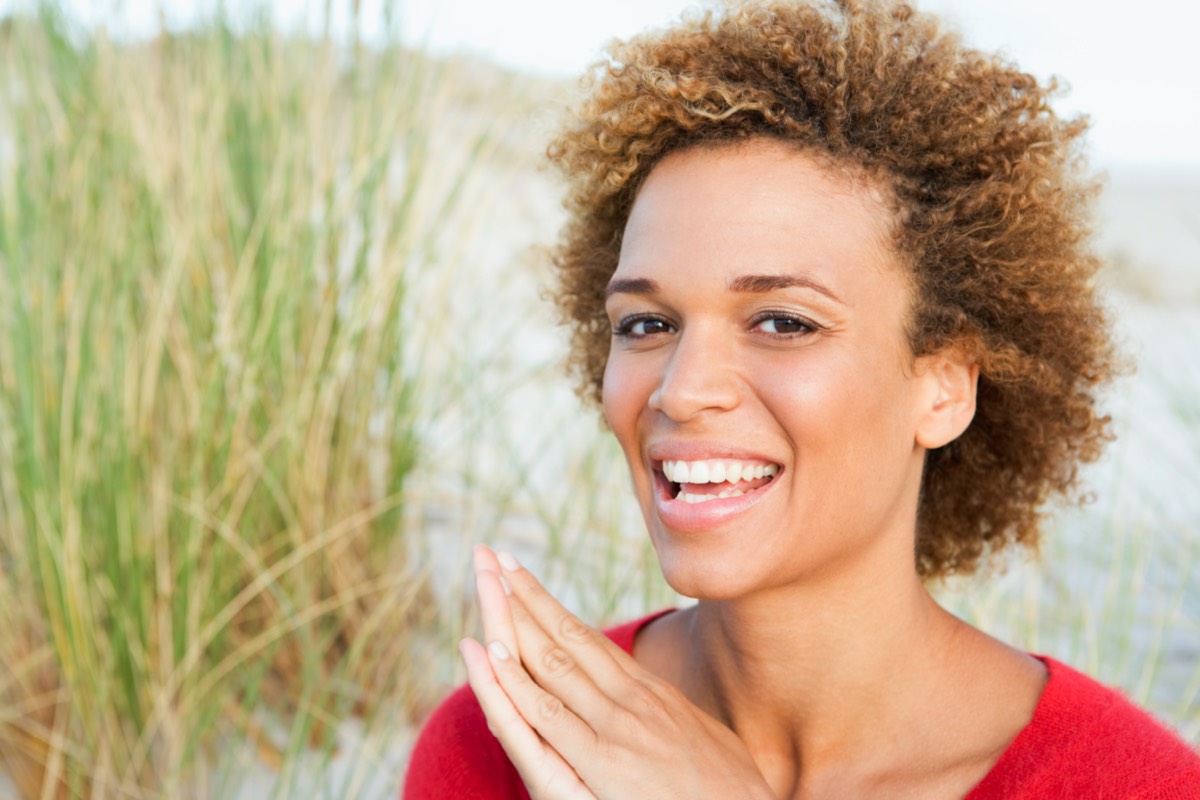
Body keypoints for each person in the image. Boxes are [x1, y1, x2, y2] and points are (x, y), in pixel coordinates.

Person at [403, 1, 1200, 796]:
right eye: (646, 323)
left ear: (944, 387)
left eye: (783, 321)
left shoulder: (1133, 785)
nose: (682, 390)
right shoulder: (499, 749)